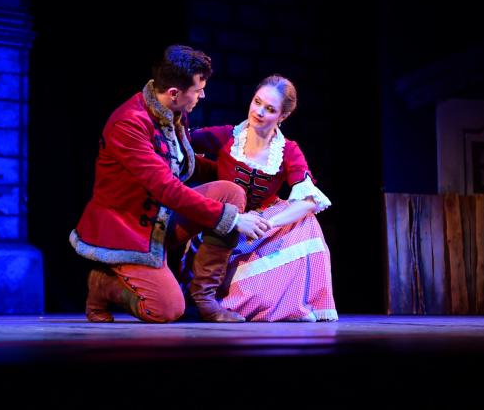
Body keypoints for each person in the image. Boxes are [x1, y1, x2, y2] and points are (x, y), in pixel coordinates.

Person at [69, 45, 271, 323]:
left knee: (230, 192)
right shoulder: (129, 124)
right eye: (198, 90)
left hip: (161, 216)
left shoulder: (172, 111)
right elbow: (166, 187)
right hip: (128, 227)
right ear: (175, 92)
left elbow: (183, 161)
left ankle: (204, 298)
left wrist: (239, 174)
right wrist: (233, 219)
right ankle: (103, 284)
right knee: (165, 310)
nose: (202, 95)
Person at [180, 74, 338, 322]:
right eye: (257, 102)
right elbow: (180, 142)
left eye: (270, 109)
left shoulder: (287, 150)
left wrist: (267, 224)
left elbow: (309, 199)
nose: (259, 112)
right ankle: (213, 299)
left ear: (283, 116)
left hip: (262, 228)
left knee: (307, 222)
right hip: (226, 225)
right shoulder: (227, 136)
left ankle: (275, 303)